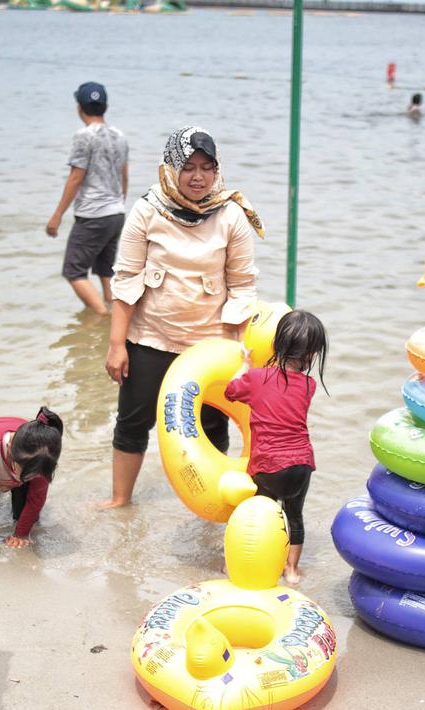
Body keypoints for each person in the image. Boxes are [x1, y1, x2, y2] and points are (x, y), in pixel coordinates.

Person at [98, 125, 264, 509]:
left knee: (210, 426)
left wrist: (241, 351)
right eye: (188, 166)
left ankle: (213, 506)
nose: (198, 177)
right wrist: (116, 344)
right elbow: (125, 280)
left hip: (210, 343)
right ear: (171, 167)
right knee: (133, 420)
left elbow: (242, 287)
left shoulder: (231, 215)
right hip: (151, 337)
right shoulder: (146, 210)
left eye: (207, 167)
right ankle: (120, 500)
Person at [224, 310, 328, 584]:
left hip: (269, 465)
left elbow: (230, 391)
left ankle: (257, 563)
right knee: (294, 516)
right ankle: (292, 571)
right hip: (302, 465)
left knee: (261, 516)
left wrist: (246, 364)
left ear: (277, 344)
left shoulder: (256, 378)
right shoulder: (309, 385)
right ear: (312, 354)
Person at [46, 82, 129, 315]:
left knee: (73, 271)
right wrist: (118, 204)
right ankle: (115, 316)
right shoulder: (120, 136)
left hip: (93, 214)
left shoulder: (84, 136)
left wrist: (57, 215)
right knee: (105, 270)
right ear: (106, 107)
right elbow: (125, 176)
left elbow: (76, 177)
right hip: (116, 212)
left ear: (79, 107)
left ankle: (101, 317)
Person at [0, 408, 64, 562]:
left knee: (26, 518)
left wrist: (21, 533)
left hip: (24, 455)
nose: (31, 478)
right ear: (11, 451)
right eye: (27, 474)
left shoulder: (42, 456)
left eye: (34, 475)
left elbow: (36, 499)